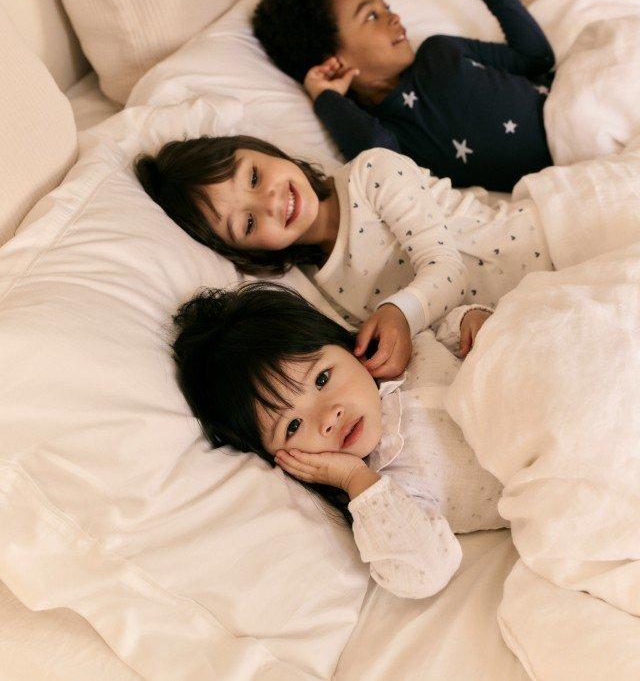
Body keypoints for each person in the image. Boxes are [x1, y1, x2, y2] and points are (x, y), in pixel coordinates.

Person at [172, 281, 501, 599]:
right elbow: (426, 571)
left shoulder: (407, 353)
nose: (328, 416)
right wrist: (355, 479)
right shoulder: (394, 487)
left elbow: (457, 322)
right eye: (293, 426)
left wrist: (473, 319)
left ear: (346, 346)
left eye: (322, 378)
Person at [135, 135, 552, 378]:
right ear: (246, 252)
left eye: (255, 177)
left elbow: (447, 269)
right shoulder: (322, 291)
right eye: (246, 224)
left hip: (548, 239)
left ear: (261, 149)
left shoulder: (370, 173)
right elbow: (433, 323)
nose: (269, 202)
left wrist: (398, 315)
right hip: (521, 312)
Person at [252, 0, 556, 192]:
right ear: (333, 59)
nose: (394, 17)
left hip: (568, 114)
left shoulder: (441, 51)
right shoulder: (386, 133)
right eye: (371, 15)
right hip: (559, 176)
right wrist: (327, 100)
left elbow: (537, 59)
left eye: (385, 5)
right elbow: (383, 163)